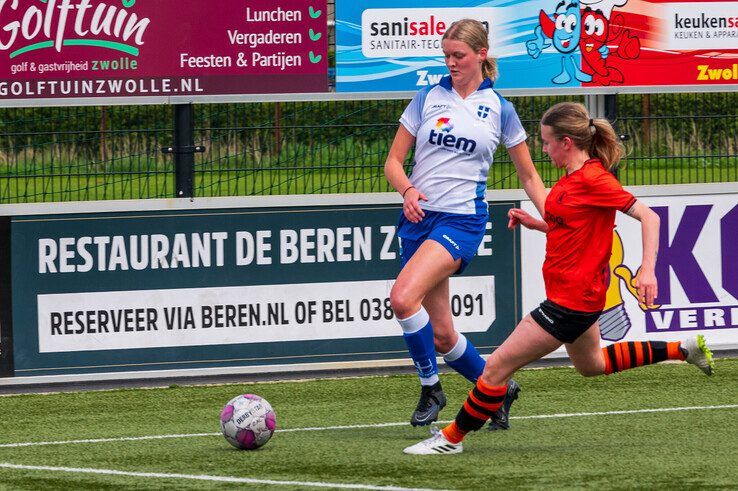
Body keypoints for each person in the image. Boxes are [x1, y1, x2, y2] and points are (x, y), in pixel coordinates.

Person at [403, 101, 715, 454]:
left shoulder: (595, 179)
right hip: (580, 301)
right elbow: (572, 225)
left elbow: (649, 217)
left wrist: (647, 270)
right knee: (591, 364)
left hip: (568, 304)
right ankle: (682, 349)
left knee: (495, 372)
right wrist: (537, 222)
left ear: (567, 142)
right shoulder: (574, 178)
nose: (544, 148)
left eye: (547, 142)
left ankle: (450, 439)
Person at [384, 19, 547, 429]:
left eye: (458, 55)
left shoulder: (500, 110)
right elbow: (392, 163)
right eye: (446, 55)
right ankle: (501, 389)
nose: (451, 62)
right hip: (419, 221)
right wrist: (406, 191)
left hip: (461, 222)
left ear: (481, 55)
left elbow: (528, 176)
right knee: (442, 336)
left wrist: (555, 216)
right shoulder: (426, 98)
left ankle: (430, 388)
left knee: (403, 298)